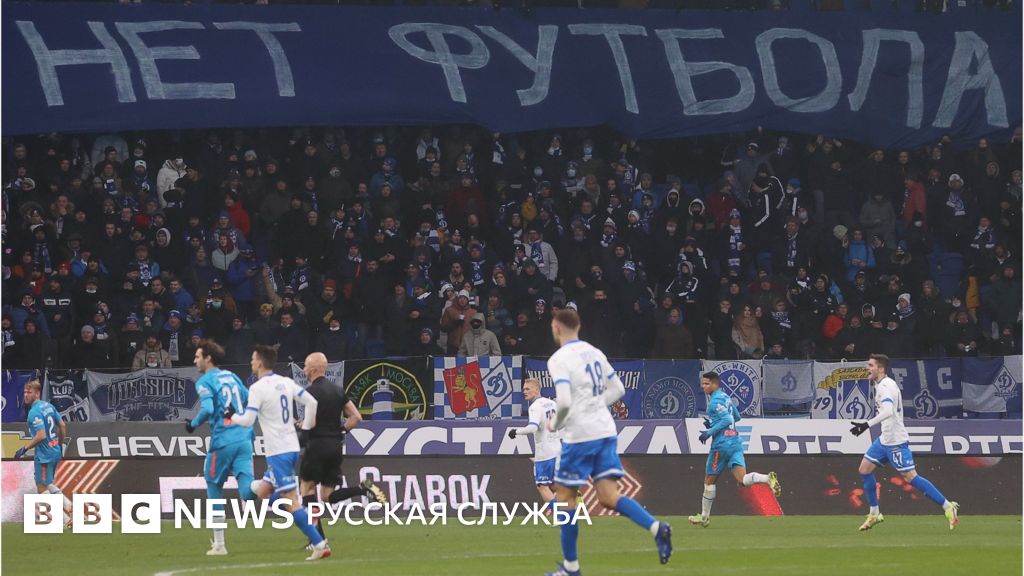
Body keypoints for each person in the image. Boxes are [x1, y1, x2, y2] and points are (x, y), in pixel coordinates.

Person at [544, 309, 672, 576]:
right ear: (578, 326)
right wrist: (592, 406)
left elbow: (564, 402)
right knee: (608, 497)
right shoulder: (595, 352)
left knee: (565, 498)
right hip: (605, 431)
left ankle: (571, 567)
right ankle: (656, 528)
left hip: (580, 436)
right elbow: (619, 390)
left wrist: (555, 423)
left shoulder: (559, 359)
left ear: (556, 327)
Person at [227, 345, 330, 560]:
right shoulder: (285, 382)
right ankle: (309, 526)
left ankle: (319, 543)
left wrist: (231, 415)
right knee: (264, 492)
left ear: (260, 362)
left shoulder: (257, 388)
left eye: (253, 359)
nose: (251, 362)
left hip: (278, 451)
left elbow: (247, 421)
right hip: (291, 447)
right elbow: (311, 402)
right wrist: (306, 429)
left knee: (291, 500)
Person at [849, 353, 959, 531]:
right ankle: (875, 513)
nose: (867, 368)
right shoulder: (883, 384)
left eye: (870, 365)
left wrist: (866, 425)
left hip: (895, 441)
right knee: (864, 469)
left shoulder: (886, 386)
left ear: (881, 369)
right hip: (884, 439)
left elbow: (888, 412)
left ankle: (948, 506)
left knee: (911, 477)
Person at [298, 352, 387, 547]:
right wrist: (340, 431)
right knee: (327, 496)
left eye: (305, 365)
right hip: (335, 447)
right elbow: (356, 417)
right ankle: (361, 489)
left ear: (313, 369)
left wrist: (302, 427)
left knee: (307, 490)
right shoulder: (338, 391)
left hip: (317, 446)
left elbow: (311, 423)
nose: (304, 369)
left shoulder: (309, 393)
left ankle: (318, 540)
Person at [184, 339, 255, 555]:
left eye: (198, 356)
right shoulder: (232, 376)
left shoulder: (205, 381)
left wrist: (192, 425)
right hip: (244, 439)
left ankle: (219, 545)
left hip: (223, 441)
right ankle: (274, 488)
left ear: (208, 359)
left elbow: (207, 408)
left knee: (214, 486)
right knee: (248, 492)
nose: (195, 360)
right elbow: (249, 399)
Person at [688, 372, 781, 527]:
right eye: (703, 384)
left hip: (721, 445)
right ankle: (767, 478)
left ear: (715, 384)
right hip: (736, 442)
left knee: (709, 481)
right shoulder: (726, 397)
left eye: (706, 384)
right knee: (742, 480)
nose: (703, 387)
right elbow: (736, 417)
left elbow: (728, 419)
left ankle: (704, 517)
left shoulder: (714, 401)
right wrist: (714, 423)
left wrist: (709, 432)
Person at [14, 380, 73, 527]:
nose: (25, 395)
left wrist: (25, 448)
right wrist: (59, 443)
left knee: (41, 489)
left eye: (29, 392)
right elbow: (62, 425)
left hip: (44, 455)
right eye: (24, 392)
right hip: (54, 451)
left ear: (37, 393)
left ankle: (66, 520)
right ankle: (68, 505)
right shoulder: (48, 406)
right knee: (45, 482)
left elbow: (41, 435)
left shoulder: (34, 412)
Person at [506, 378, 561, 510]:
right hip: (558, 449)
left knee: (542, 486)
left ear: (537, 390)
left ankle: (563, 515)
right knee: (553, 485)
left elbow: (532, 428)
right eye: (524, 389)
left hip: (545, 453)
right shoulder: (552, 403)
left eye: (527, 389)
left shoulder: (535, 407)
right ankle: (572, 502)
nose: (524, 392)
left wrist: (516, 432)